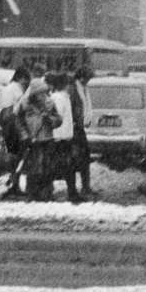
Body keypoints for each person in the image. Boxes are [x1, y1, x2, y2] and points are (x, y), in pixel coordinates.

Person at [0, 66, 31, 197]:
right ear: (21, 78)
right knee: (12, 159)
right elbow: (7, 111)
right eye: (26, 79)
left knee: (14, 159)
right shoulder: (11, 90)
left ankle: (11, 185)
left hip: (13, 128)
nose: (27, 82)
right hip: (12, 129)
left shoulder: (14, 89)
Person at [18, 76, 61, 201]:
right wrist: (24, 135)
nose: (43, 95)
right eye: (40, 93)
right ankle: (32, 193)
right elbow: (19, 121)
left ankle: (47, 193)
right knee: (33, 168)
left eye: (44, 92)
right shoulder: (24, 105)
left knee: (48, 167)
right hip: (32, 141)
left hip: (47, 139)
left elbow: (58, 119)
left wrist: (50, 120)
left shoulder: (50, 103)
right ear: (34, 93)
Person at [47, 72, 84, 203]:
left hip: (65, 139)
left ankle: (72, 192)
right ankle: (51, 192)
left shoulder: (65, 98)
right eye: (70, 84)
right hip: (59, 140)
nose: (72, 87)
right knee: (61, 167)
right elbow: (55, 118)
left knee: (68, 168)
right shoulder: (58, 98)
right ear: (65, 85)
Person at [72, 66, 95, 198]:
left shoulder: (84, 88)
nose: (88, 81)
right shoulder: (74, 89)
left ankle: (85, 186)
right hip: (75, 128)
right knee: (79, 158)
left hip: (81, 127)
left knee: (84, 158)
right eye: (87, 78)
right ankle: (80, 187)